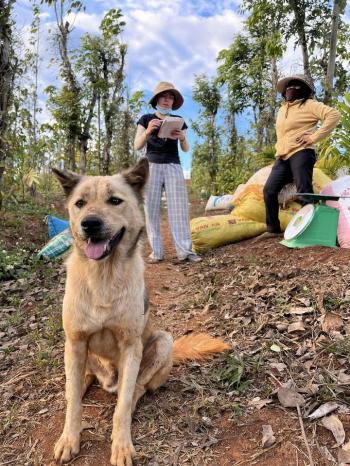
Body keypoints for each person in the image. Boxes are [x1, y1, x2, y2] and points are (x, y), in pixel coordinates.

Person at [257, 74, 340, 240]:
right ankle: (273, 229)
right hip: (282, 156)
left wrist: (313, 137)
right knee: (269, 190)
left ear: (304, 90)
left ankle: (310, 229)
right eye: (288, 87)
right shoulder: (282, 109)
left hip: (302, 152)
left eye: (295, 87)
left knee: (304, 191)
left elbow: (334, 115)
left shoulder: (309, 104)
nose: (290, 89)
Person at [134, 81, 201, 263]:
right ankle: (157, 252)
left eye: (170, 97)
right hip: (152, 165)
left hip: (173, 165)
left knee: (179, 209)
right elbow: (137, 145)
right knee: (151, 209)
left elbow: (186, 149)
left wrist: (182, 138)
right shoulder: (146, 118)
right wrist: (148, 131)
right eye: (164, 96)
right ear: (157, 99)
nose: (167, 100)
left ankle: (185, 252)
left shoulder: (178, 120)